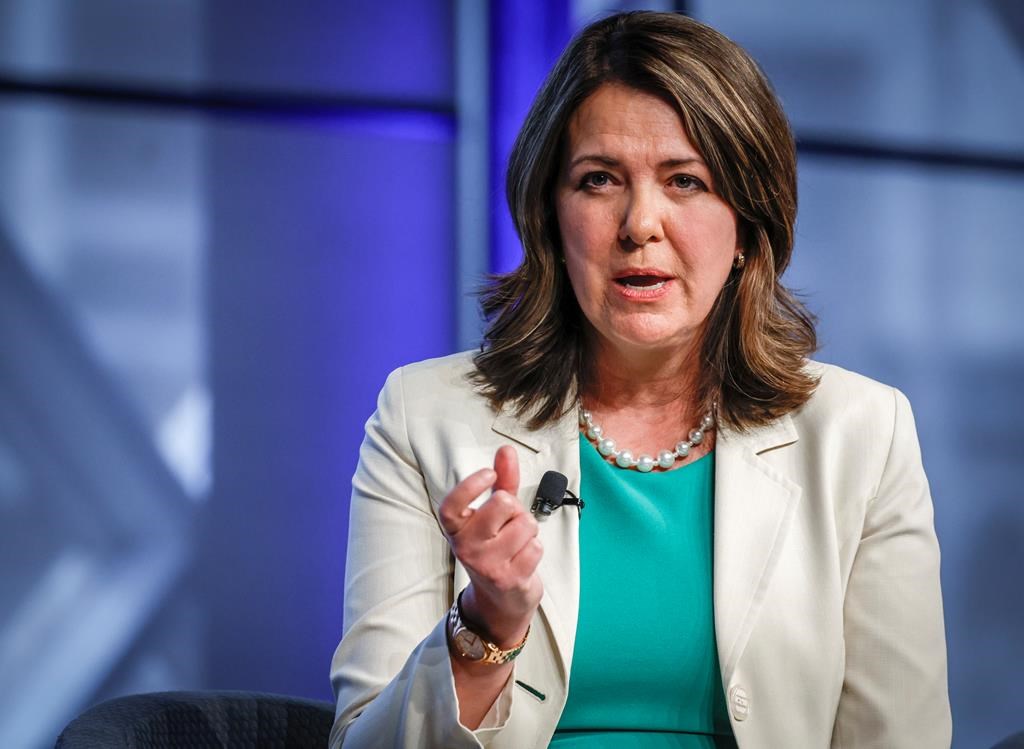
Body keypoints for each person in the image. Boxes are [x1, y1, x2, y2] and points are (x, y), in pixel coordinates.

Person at [329, 11, 950, 749]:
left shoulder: (863, 435)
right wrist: (482, 629)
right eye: (598, 180)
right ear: (550, 218)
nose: (639, 223)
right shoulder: (422, 417)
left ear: (750, 227)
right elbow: (361, 744)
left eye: (685, 181)